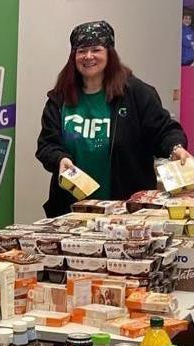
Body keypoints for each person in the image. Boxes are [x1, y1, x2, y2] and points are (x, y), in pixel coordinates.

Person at [37, 20, 190, 217]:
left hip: (125, 212)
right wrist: (60, 159)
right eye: (82, 51)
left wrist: (175, 148)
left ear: (109, 53)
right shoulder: (60, 98)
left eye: (96, 49)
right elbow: (47, 145)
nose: (88, 56)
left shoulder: (136, 93)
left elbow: (163, 130)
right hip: (70, 211)